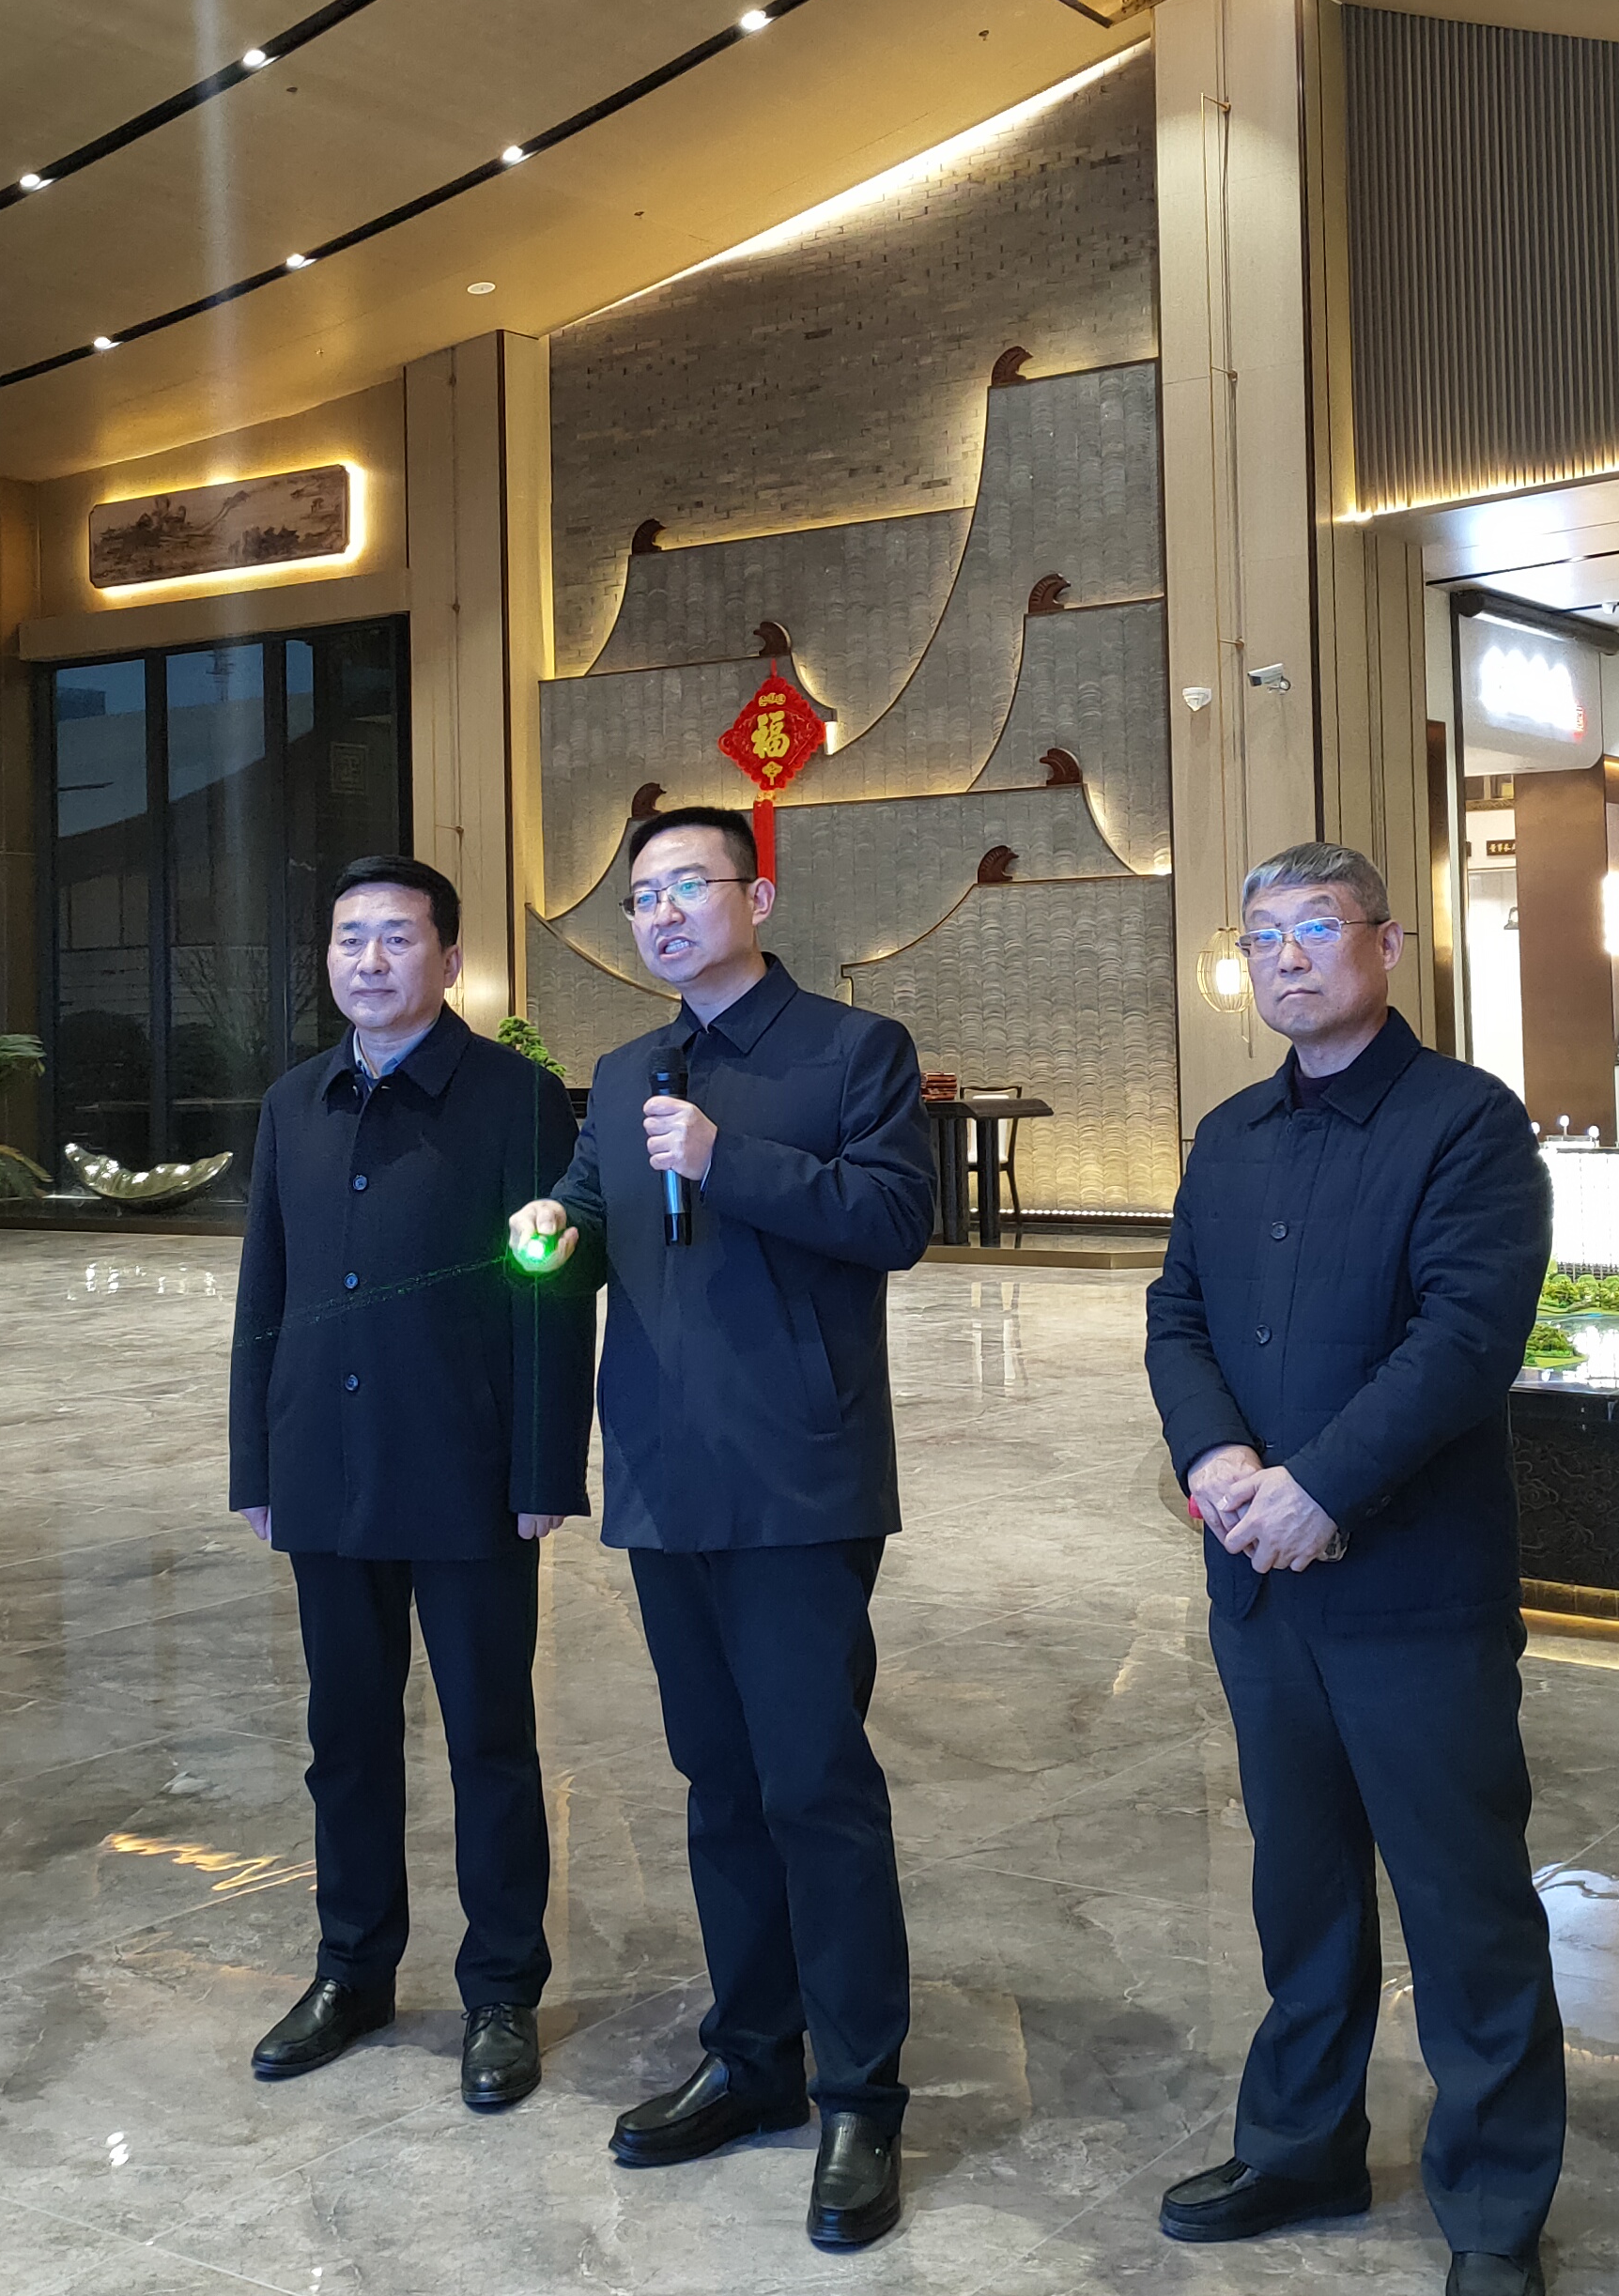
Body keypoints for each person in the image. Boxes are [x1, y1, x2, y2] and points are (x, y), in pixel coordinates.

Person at [507, 806, 934, 2254]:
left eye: (690, 885)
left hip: (800, 1480)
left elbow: (895, 1219)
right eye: (643, 898)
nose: (665, 914)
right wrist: (553, 1233)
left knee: (815, 1786)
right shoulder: (629, 1070)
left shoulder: (852, 1052)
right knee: (717, 1786)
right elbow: (586, 1211)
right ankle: (754, 2059)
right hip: (665, 1478)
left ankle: (861, 2094)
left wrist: (723, 1155)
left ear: (759, 896)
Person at [1143, 842, 1564, 2296]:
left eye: (1317, 927)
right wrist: (1215, 1459)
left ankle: (1494, 2210)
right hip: (1262, 1589)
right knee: (1301, 1886)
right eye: (1262, 936)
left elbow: (1465, 1339)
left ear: (1387, 945)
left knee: (1464, 1906)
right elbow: (1178, 1314)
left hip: (1413, 1594)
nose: (1286, 957)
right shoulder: (1230, 1135)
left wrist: (1321, 1486)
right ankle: (1303, 2143)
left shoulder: (1466, 1125)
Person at [228, 854, 594, 2114]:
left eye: (396, 936)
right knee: (344, 1736)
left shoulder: (516, 1100)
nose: (369, 960)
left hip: (467, 1471)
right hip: (322, 1468)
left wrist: (544, 1467)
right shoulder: (294, 1103)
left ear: (449, 957)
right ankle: (351, 1970)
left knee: (490, 1737)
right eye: (349, 938)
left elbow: (553, 1297)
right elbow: (263, 1292)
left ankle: (501, 1990)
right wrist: (256, 1461)